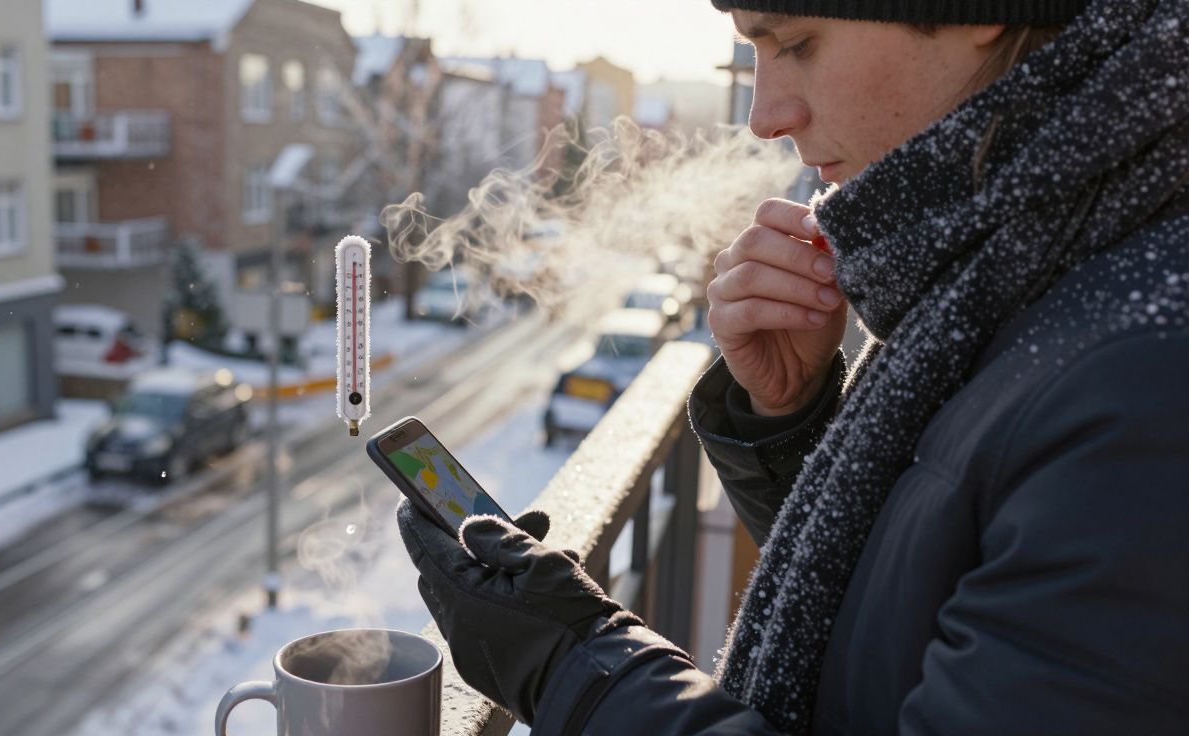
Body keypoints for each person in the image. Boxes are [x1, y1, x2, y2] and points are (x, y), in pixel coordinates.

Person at [397, 0, 1189, 733]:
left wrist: (573, 662)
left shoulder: (1145, 385)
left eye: (798, 44)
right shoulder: (1018, 258)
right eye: (755, 56)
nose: (765, 117)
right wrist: (793, 421)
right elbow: (915, 619)